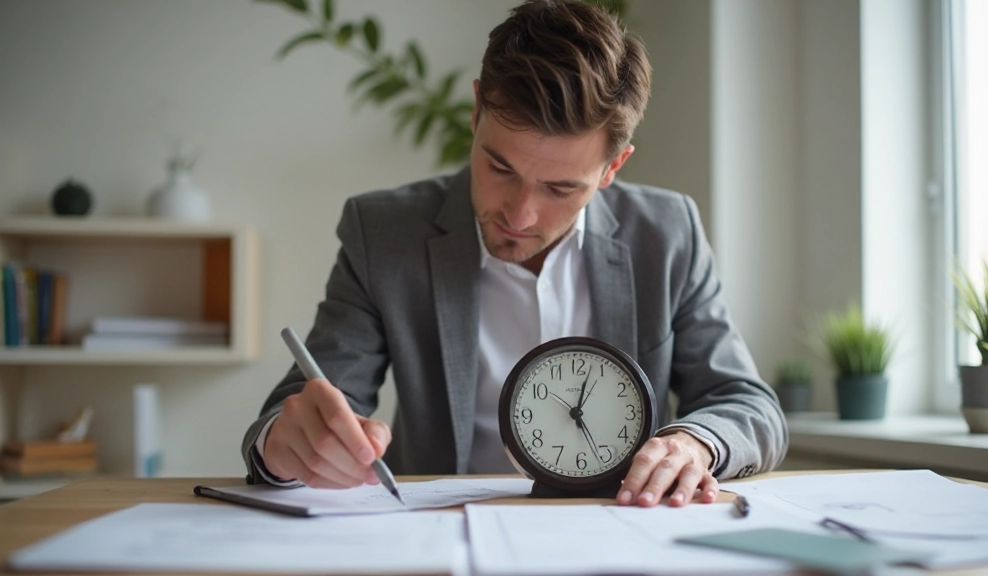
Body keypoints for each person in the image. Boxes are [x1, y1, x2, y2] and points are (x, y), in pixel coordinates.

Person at [242, 0, 787, 508]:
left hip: (620, 525)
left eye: (560, 188)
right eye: (500, 168)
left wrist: (694, 443)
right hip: (443, 533)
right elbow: (304, 405)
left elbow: (749, 404)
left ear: (613, 168)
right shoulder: (384, 233)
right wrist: (289, 444)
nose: (520, 215)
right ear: (476, 111)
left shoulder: (667, 234)